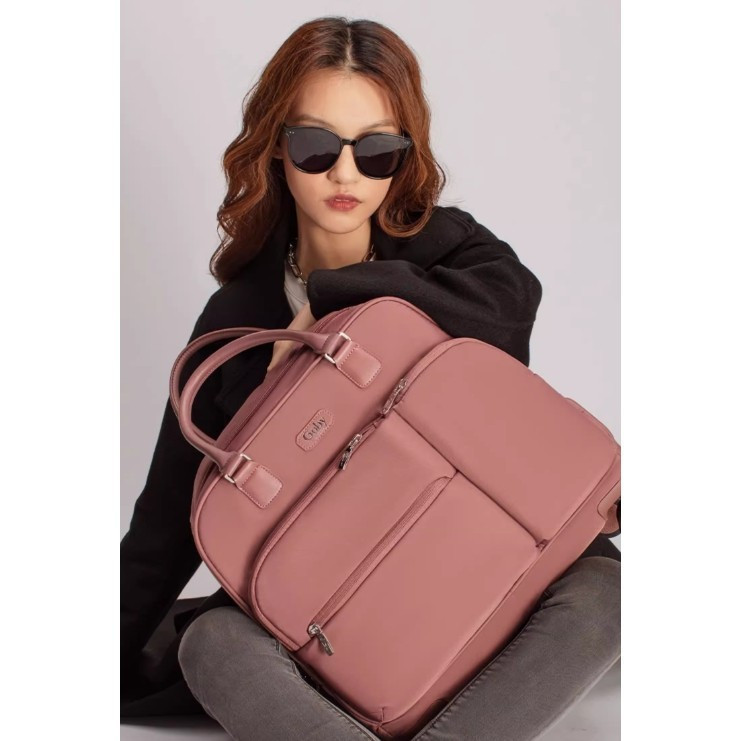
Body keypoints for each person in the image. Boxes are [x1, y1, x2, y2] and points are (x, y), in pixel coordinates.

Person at [120, 15, 621, 740]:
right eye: (316, 146)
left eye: (377, 149)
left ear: (404, 153)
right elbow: (167, 519)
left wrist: (330, 298)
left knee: (605, 592)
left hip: (487, 563)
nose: (346, 174)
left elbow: (510, 310)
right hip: (341, 609)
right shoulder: (236, 322)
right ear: (275, 148)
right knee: (213, 645)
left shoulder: (450, 250)